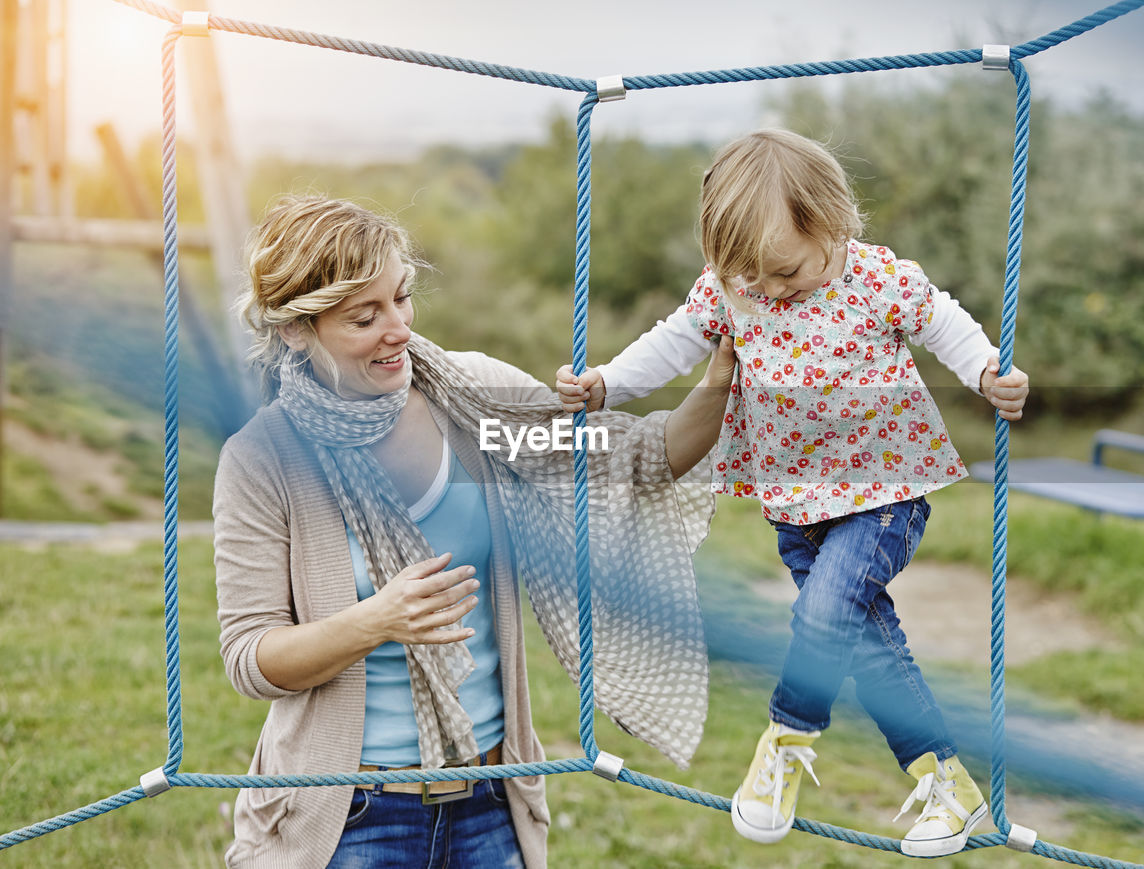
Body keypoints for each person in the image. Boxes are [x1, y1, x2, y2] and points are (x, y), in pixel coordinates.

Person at [213, 195, 736, 869]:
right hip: (348, 816)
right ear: (295, 330)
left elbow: (637, 458)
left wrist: (722, 379)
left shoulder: (473, 405)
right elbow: (251, 658)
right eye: (365, 316)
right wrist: (376, 619)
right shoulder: (264, 457)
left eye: (402, 298)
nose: (397, 327)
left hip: (491, 805)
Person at [556, 129, 1030, 857]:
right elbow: (673, 340)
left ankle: (784, 739)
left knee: (820, 614)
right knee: (868, 646)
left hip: (884, 490)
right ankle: (948, 787)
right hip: (795, 506)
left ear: (831, 220)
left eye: (784, 269)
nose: (770, 290)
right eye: (752, 275)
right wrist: (606, 383)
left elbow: (942, 319)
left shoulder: (875, 277)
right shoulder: (736, 287)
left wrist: (988, 370)